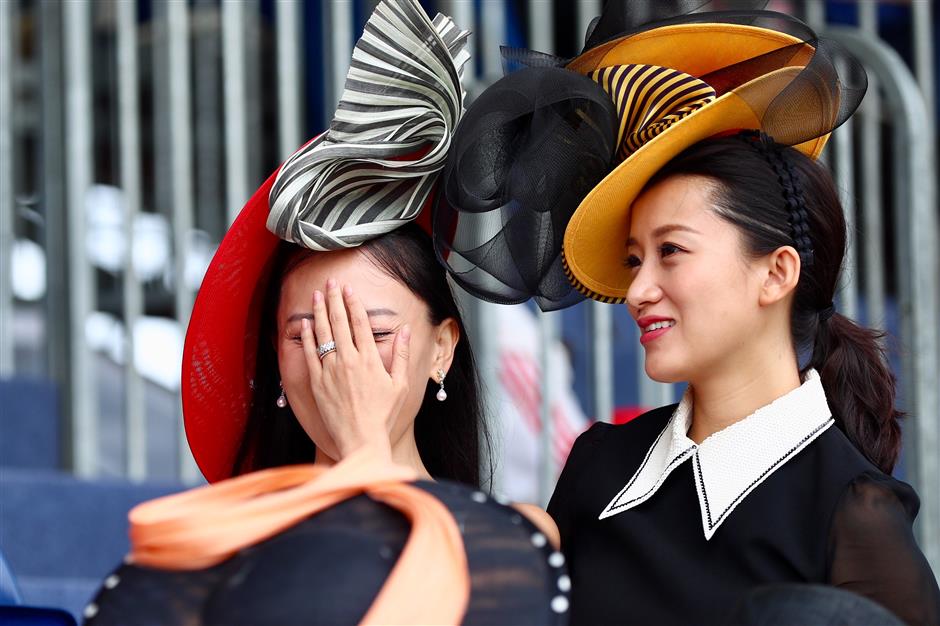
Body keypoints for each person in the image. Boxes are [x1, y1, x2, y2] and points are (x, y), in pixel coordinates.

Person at [431, 2, 940, 624]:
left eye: (671, 251)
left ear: (777, 272)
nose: (638, 290)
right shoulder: (601, 464)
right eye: (634, 258)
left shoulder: (853, 509)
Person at [181, 0, 491, 488]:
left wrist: (363, 450)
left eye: (377, 334)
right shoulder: (234, 542)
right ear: (274, 357)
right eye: (304, 337)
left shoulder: (519, 531)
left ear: (442, 350)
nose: (341, 363)